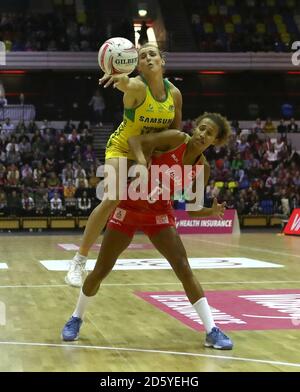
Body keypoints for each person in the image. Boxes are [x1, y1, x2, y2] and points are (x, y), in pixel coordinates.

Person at [62, 113, 234, 350]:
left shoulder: (201, 168)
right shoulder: (176, 139)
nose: (203, 135)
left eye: (209, 134)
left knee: (184, 268)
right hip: (128, 207)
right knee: (101, 269)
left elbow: (193, 209)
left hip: (159, 215)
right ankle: (76, 318)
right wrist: (142, 161)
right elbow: (135, 142)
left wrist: (210, 212)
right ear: (194, 128)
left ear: (215, 141)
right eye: (201, 129)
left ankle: (211, 330)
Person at [65, 43, 183, 287]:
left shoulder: (175, 95)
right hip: (121, 147)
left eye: (152, 54)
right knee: (112, 197)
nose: (148, 58)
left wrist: (157, 161)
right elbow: (126, 85)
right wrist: (119, 79)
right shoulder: (137, 86)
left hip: (148, 152)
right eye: (142, 56)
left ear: (162, 61)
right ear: (136, 65)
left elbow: (175, 133)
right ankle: (79, 259)